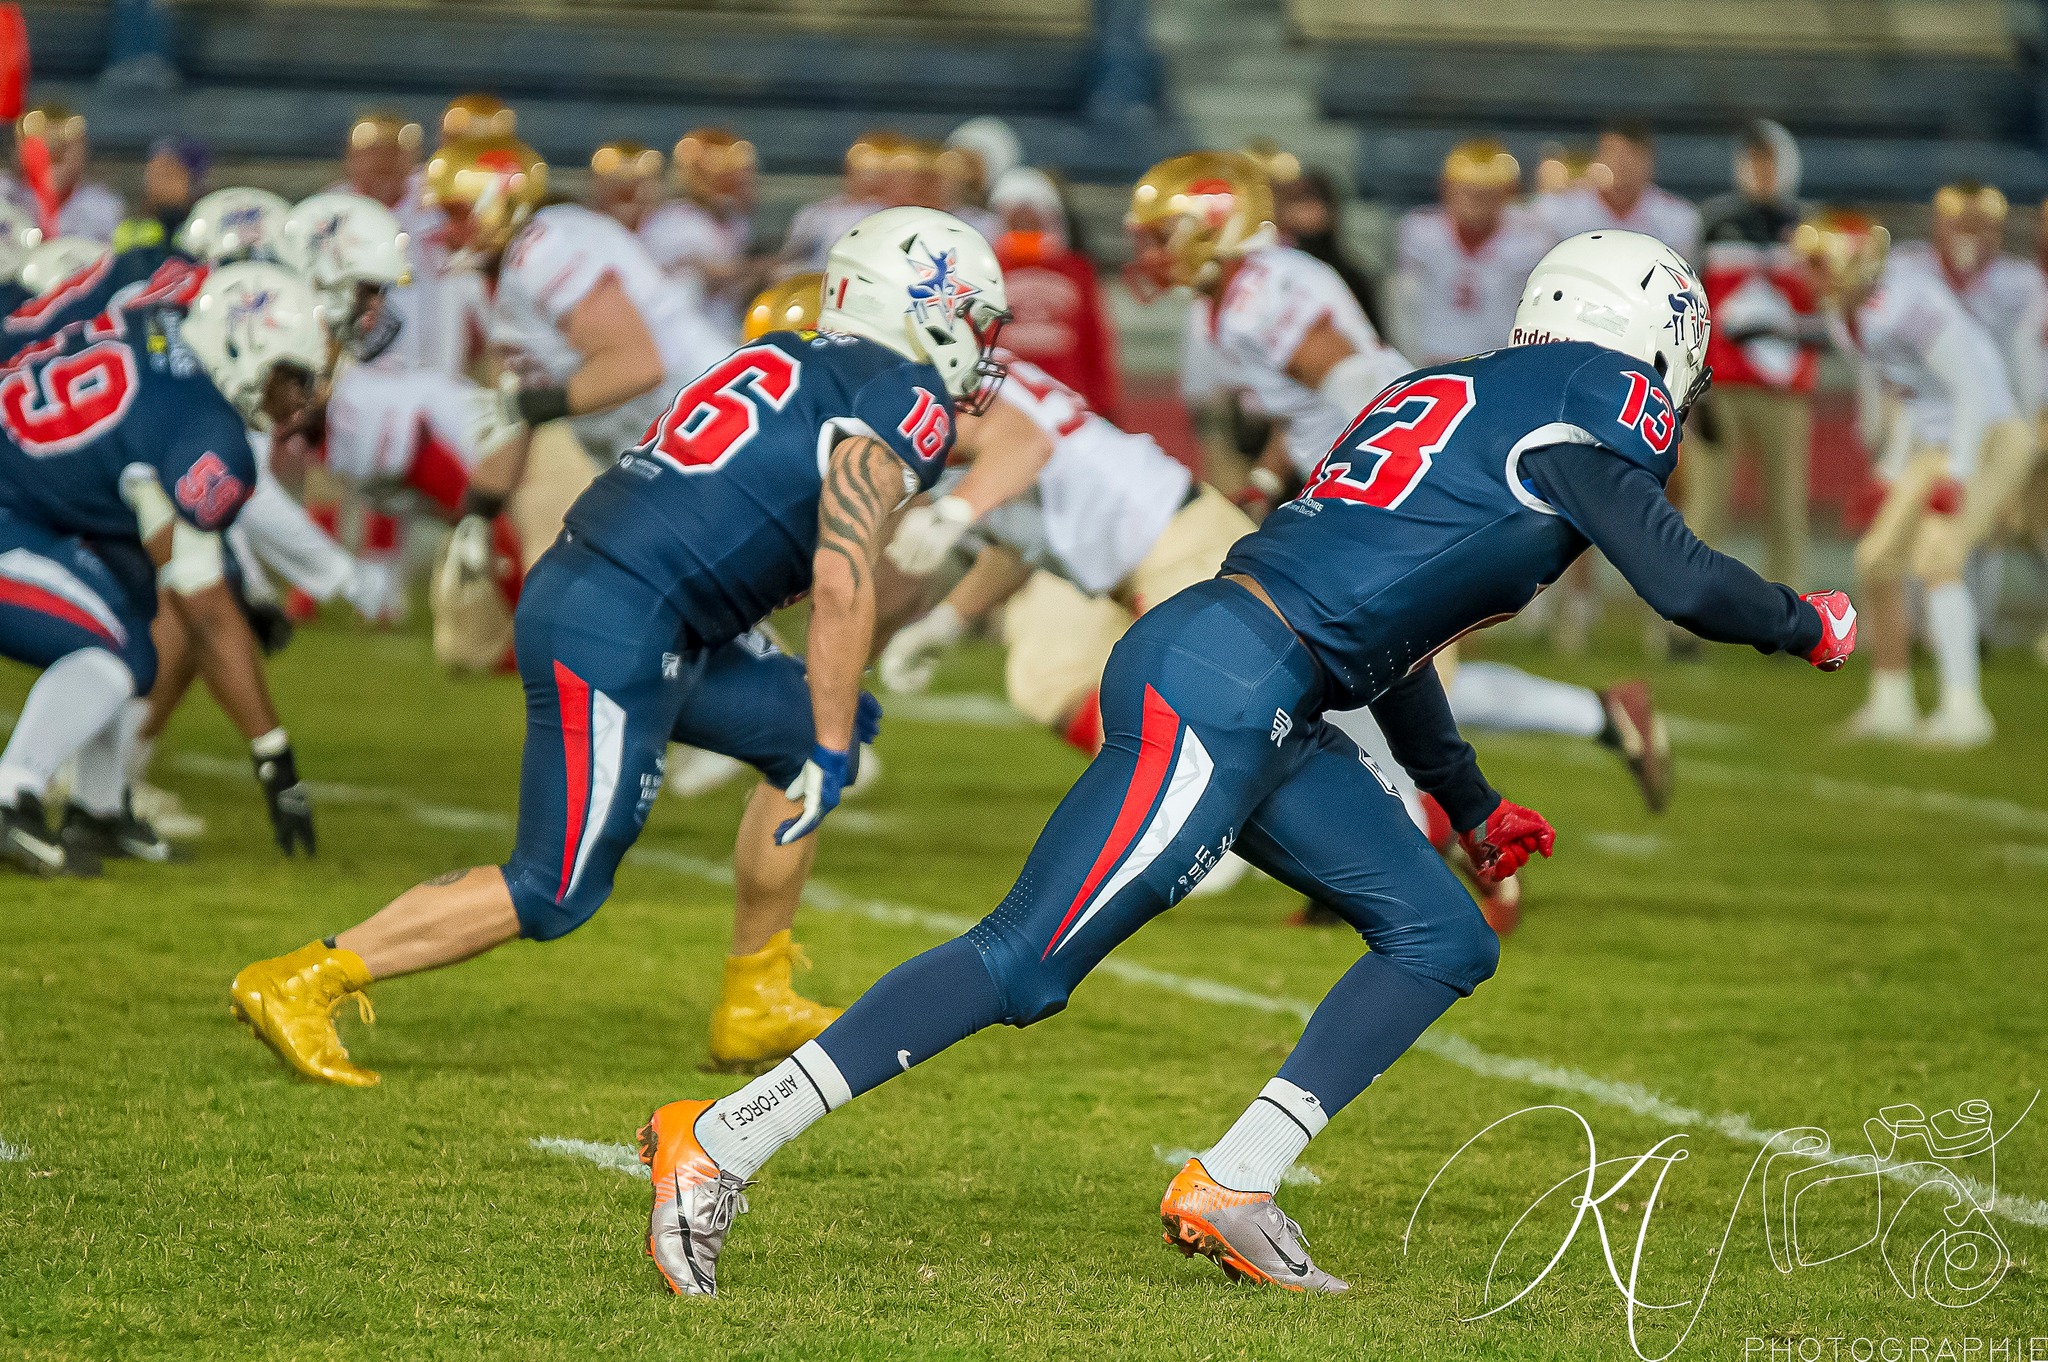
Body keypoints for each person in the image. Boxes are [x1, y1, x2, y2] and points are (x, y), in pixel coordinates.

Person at [634, 229, 1856, 1298]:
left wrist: (1468, 805)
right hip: (1228, 681)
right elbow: (1688, 581)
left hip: (1261, 676)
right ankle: (722, 1136)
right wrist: (1808, 621)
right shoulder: (1592, 397)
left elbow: (1395, 644)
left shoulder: (1456, 391)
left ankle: (1235, 1185)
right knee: (1025, 962)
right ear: (1653, 331)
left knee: (1441, 934)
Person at [227, 206, 1010, 1086]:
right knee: (554, 886)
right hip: (623, 615)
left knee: (806, 734)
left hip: (648, 601)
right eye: (975, 319)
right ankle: (306, 977)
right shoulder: (899, 392)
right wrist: (834, 737)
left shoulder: (784, 358)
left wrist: (826, 732)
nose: (981, 346)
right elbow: (841, 574)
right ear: (920, 307)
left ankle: (755, 995)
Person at [0, 262, 326, 875]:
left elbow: (158, 538)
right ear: (244, 346)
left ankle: (95, 808)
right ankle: (9, 795)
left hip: (26, 500)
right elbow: (203, 605)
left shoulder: (156, 323)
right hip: (10, 515)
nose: (295, 403)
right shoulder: (206, 429)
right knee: (110, 654)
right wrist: (272, 754)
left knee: (139, 634)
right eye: (288, 380)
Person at [1801, 210, 2029, 747]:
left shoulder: (1905, 305)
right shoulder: (1849, 316)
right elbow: (1913, 395)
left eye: (1819, 263)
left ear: (1853, 262)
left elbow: (1971, 386)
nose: (1812, 276)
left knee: (1937, 556)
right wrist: (1889, 470)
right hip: (1937, 440)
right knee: (1875, 560)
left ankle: (1965, 710)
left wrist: (1959, 472)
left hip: (1991, 433)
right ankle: (1892, 702)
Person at [1689, 120, 1821, 596]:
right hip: (1721, 384)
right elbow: (1690, 307)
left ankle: (1791, 619)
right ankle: (1684, 620)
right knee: (1706, 507)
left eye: (1771, 161)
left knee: (1787, 511)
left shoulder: (1811, 229)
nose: (1763, 172)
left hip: (1784, 390)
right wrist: (1692, 390)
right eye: (1754, 161)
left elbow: (1825, 308)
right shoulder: (1714, 222)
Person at [1391, 140, 1555, 367]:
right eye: (1467, 193)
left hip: (1499, 361)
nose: (1475, 204)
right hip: (1428, 359)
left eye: (1487, 195)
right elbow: (1404, 305)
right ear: (1446, 189)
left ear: (1507, 194)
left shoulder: (1532, 240)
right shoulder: (1419, 232)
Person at [987, 167, 1119, 419]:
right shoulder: (984, 268)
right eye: (1017, 217)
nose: (1025, 226)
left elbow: (1095, 337)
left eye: (1032, 216)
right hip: (1004, 396)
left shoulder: (1077, 269)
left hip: (1067, 393)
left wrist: (1103, 402)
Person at [640, 127, 761, 340]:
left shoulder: (736, 222)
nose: (730, 190)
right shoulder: (673, 218)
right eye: (722, 180)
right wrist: (764, 268)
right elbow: (711, 274)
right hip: (671, 334)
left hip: (716, 331)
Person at [1537, 120, 1701, 263]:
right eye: (1613, 154)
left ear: (1649, 163)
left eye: (1631, 158)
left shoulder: (1678, 218)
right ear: (1598, 158)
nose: (1621, 167)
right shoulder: (1556, 211)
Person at [3, 105, 122, 242]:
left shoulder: (103, 209)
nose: (52, 153)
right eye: (41, 147)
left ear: (83, 151)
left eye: (63, 151)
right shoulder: (5, 196)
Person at [113, 135, 209, 253]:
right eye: (153, 173)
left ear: (194, 183)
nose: (158, 183)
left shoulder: (206, 231)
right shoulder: (130, 231)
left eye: (169, 174)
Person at [586, 141, 664, 234]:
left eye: (637, 182)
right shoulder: (573, 231)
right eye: (616, 182)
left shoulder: (676, 231)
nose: (628, 193)